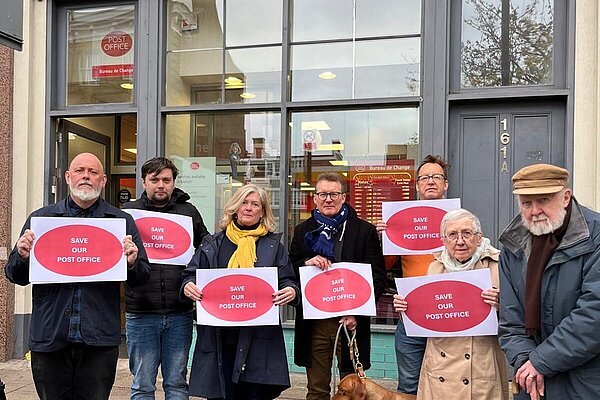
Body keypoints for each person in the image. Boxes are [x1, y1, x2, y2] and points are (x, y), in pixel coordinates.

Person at [4, 152, 150, 400]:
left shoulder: (121, 222)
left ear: (103, 180)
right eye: (80, 170)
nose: (86, 176)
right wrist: (22, 254)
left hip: (99, 340)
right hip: (50, 337)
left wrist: (133, 262)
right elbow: (15, 275)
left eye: (93, 172)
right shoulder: (42, 219)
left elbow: (142, 277)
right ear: (68, 177)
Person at [181, 184, 300, 400]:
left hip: (258, 338)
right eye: (244, 202)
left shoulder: (273, 245)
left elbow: (288, 280)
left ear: (263, 211)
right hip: (220, 337)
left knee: (254, 394)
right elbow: (190, 275)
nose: (248, 208)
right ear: (235, 207)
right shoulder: (212, 243)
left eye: (255, 204)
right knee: (221, 394)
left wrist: (291, 291)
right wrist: (188, 285)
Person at [498, 164, 600, 399]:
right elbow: (511, 319)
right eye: (526, 203)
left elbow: (594, 314)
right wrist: (527, 363)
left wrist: (540, 362)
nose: (535, 211)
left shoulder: (595, 237)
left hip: (586, 382)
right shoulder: (513, 246)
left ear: (565, 197)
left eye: (543, 200)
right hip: (533, 383)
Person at [290, 172, 386, 400]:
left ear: (343, 197)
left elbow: (378, 277)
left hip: (351, 322)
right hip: (314, 324)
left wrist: (358, 311)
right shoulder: (303, 231)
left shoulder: (364, 231)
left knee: (352, 393)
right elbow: (289, 269)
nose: (328, 199)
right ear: (315, 198)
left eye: (333, 194)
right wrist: (306, 262)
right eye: (323, 194)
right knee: (316, 389)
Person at [393, 209, 508, 399]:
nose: (460, 241)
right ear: (444, 241)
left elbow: (519, 313)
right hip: (441, 364)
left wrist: (500, 303)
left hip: (480, 365)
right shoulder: (434, 267)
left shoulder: (498, 264)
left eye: (467, 233)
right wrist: (407, 307)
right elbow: (429, 313)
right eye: (452, 235)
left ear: (479, 238)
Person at [122, 157, 209, 399]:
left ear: (173, 183)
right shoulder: (128, 214)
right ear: (143, 182)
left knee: (177, 384)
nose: (161, 185)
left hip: (179, 312)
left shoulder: (189, 212)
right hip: (140, 312)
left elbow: (207, 249)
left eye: (166, 180)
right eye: (154, 180)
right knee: (142, 385)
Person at [377, 154, 449, 395]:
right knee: (409, 384)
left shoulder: (458, 220)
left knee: (448, 381)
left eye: (436, 177)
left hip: (448, 311)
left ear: (445, 184)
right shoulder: (403, 220)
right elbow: (385, 264)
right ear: (417, 185)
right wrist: (385, 238)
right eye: (425, 178)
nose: (430, 181)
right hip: (412, 311)